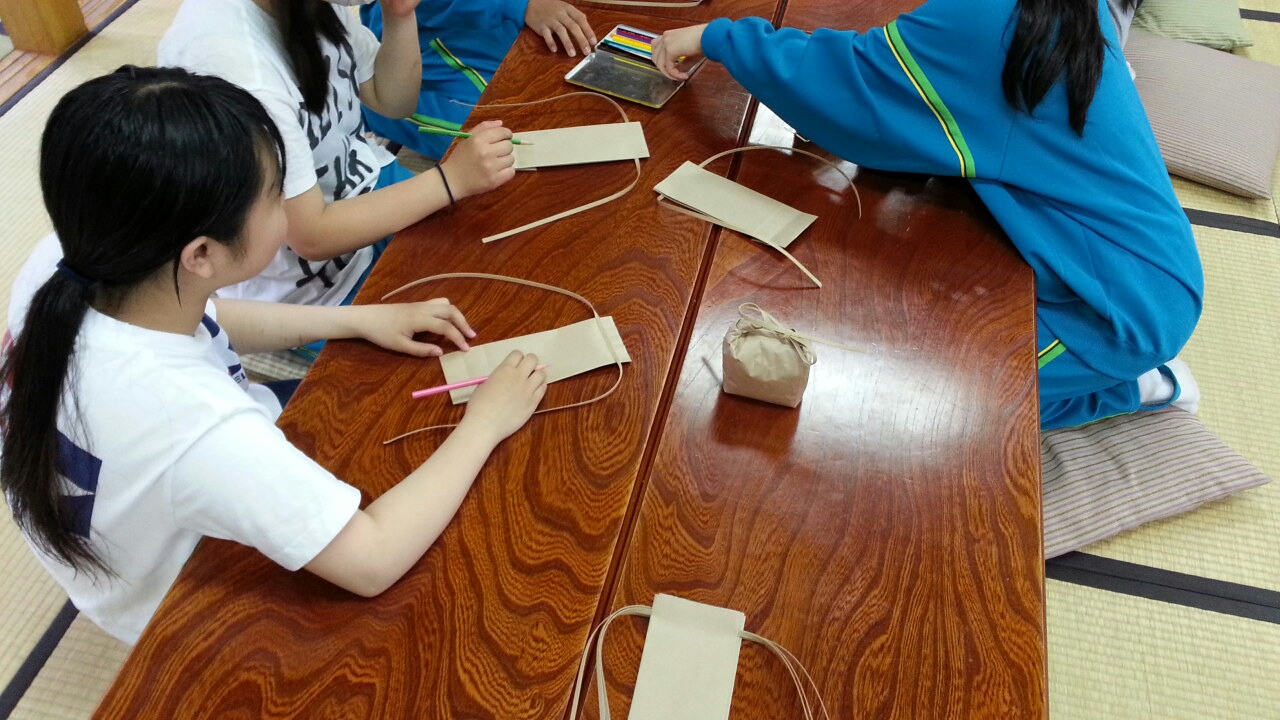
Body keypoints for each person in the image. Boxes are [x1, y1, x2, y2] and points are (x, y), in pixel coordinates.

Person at [0, 66, 546, 645]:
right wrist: (485, 423)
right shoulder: (198, 425)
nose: (291, 207)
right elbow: (373, 559)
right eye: (273, 195)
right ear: (201, 255)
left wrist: (356, 319)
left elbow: (211, 319)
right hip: (192, 607)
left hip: (140, 534)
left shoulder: (77, 259)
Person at [651, 0, 1202, 430]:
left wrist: (716, 36)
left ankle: (1142, 386)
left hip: (1111, 313)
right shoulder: (1056, 9)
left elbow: (849, 90)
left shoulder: (987, 19)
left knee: (941, 408)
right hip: (1132, 267)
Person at [156, 0, 517, 356]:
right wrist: (450, 180)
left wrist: (400, 15)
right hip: (311, 290)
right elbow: (312, 236)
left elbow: (392, 101)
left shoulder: (311, 7)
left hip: (368, 188)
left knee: (508, 248)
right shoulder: (242, 69)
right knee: (470, 341)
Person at [358, 0, 596, 159]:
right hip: (420, 35)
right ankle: (363, 103)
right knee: (505, 146)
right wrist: (521, 6)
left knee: (559, 88)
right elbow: (405, 6)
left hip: (495, 19)